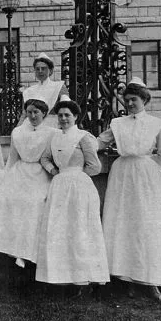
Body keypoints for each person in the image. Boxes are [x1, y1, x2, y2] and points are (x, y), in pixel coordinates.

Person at [98, 78, 161, 301]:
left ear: (144, 100)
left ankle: (150, 278)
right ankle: (126, 277)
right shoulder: (118, 124)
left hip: (146, 176)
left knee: (147, 222)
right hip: (122, 176)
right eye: (126, 100)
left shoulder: (157, 123)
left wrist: (145, 166)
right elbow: (99, 142)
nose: (129, 104)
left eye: (133, 100)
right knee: (123, 222)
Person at [35, 96, 109, 289]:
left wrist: (76, 176)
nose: (63, 119)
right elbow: (45, 158)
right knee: (59, 229)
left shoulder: (83, 137)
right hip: (59, 186)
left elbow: (95, 166)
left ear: (75, 116)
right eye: (60, 115)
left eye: (67, 115)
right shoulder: (54, 136)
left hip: (79, 187)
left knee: (79, 229)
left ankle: (82, 279)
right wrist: (55, 171)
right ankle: (61, 277)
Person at [0, 98, 57, 267]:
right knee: (3, 200)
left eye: (36, 112)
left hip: (40, 174)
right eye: (29, 112)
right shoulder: (18, 132)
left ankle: (27, 252)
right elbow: (13, 158)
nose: (33, 115)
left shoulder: (52, 132)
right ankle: (9, 248)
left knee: (34, 203)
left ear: (44, 113)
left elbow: (52, 158)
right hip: (19, 173)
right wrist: (4, 179)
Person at [20, 53, 68, 128]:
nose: (40, 71)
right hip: (31, 124)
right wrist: (17, 128)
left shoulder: (58, 87)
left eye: (43, 68)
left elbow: (66, 108)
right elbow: (24, 113)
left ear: (50, 70)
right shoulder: (29, 91)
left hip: (52, 125)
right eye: (37, 69)